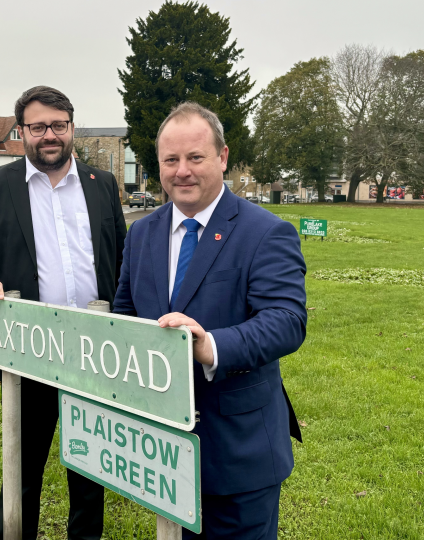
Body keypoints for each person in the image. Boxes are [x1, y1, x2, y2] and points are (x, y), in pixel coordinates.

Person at [112, 102, 307, 539]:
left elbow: (287, 319)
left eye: (195, 158)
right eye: (170, 160)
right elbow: (125, 317)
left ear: (222, 158)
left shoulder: (265, 231)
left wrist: (210, 345)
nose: (182, 171)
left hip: (238, 452)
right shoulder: (141, 233)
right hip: (161, 452)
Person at [0, 86, 127, 540]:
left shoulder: (101, 185)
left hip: (93, 350)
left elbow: (122, 257)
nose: (49, 135)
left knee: (91, 471)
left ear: (71, 127)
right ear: (21, 131)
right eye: (38, 126)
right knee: (22, 470)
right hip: (30, 351)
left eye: (58, 125)